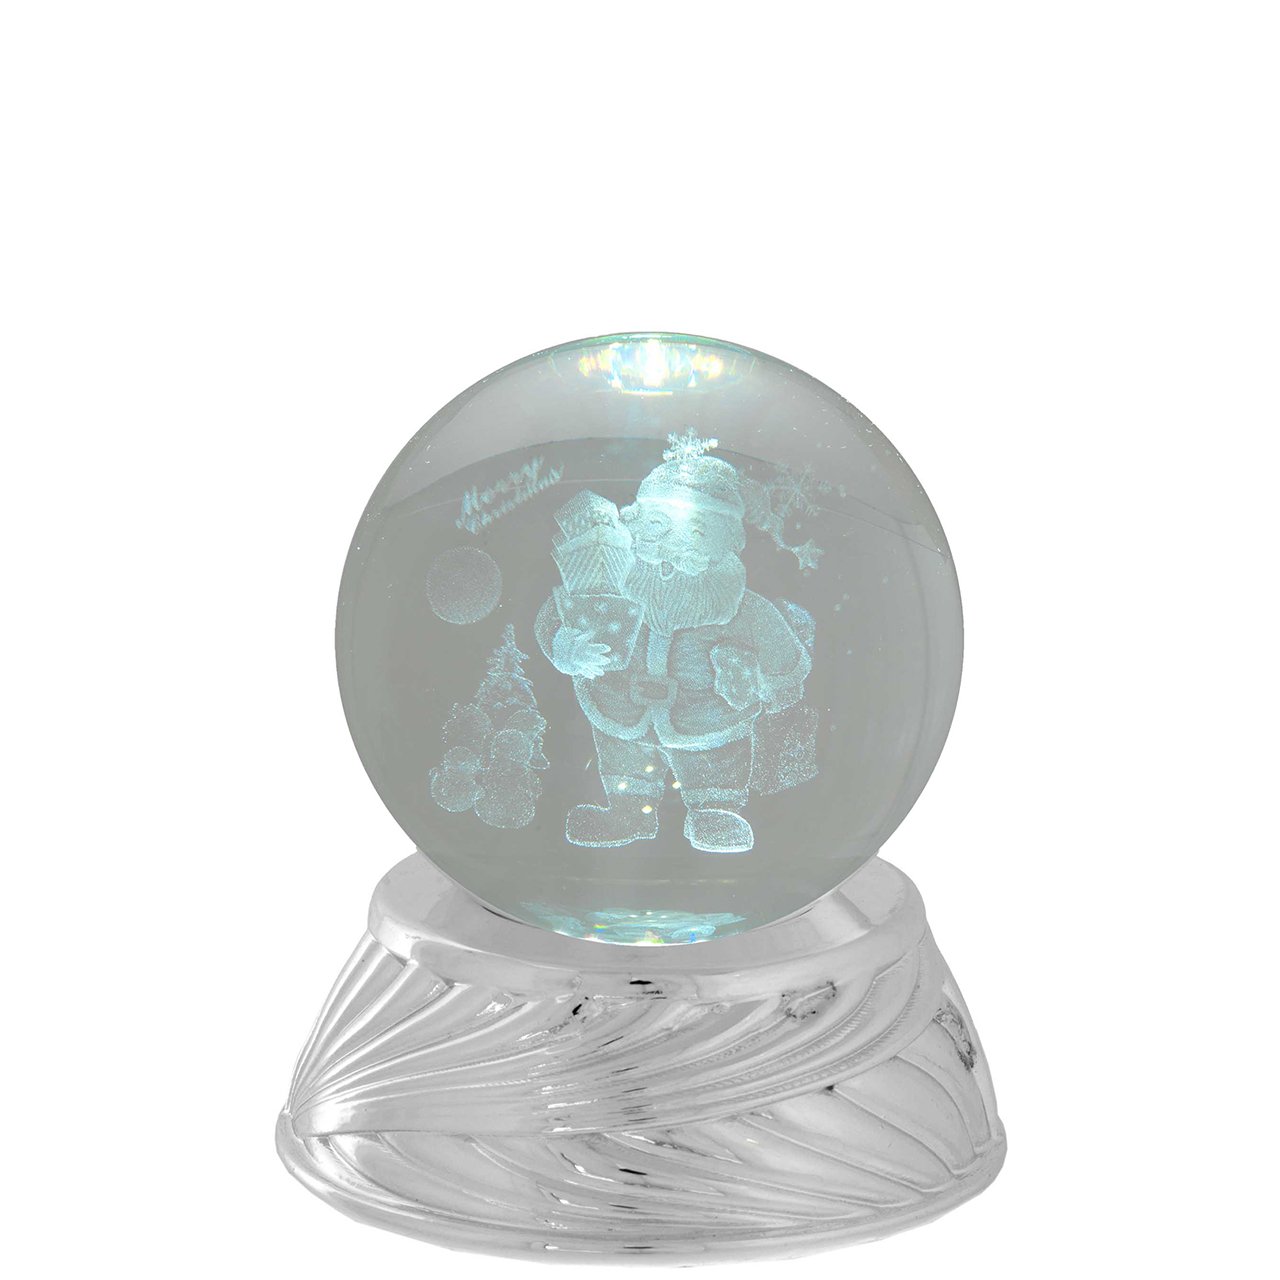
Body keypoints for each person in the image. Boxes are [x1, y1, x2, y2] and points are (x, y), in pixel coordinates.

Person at [536, 453, 810, 852]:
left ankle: (714, 811)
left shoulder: (743, 610)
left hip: (709, 719)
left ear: (723, 540)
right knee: (624, 756)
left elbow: (775, 641)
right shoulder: (609, 583)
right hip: (621, 707)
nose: (669, 554)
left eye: (693, 533)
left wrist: (781, 683)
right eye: (655, 527)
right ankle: (628, 810)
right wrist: (565, 646)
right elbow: (557, 614)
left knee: (716, 761)